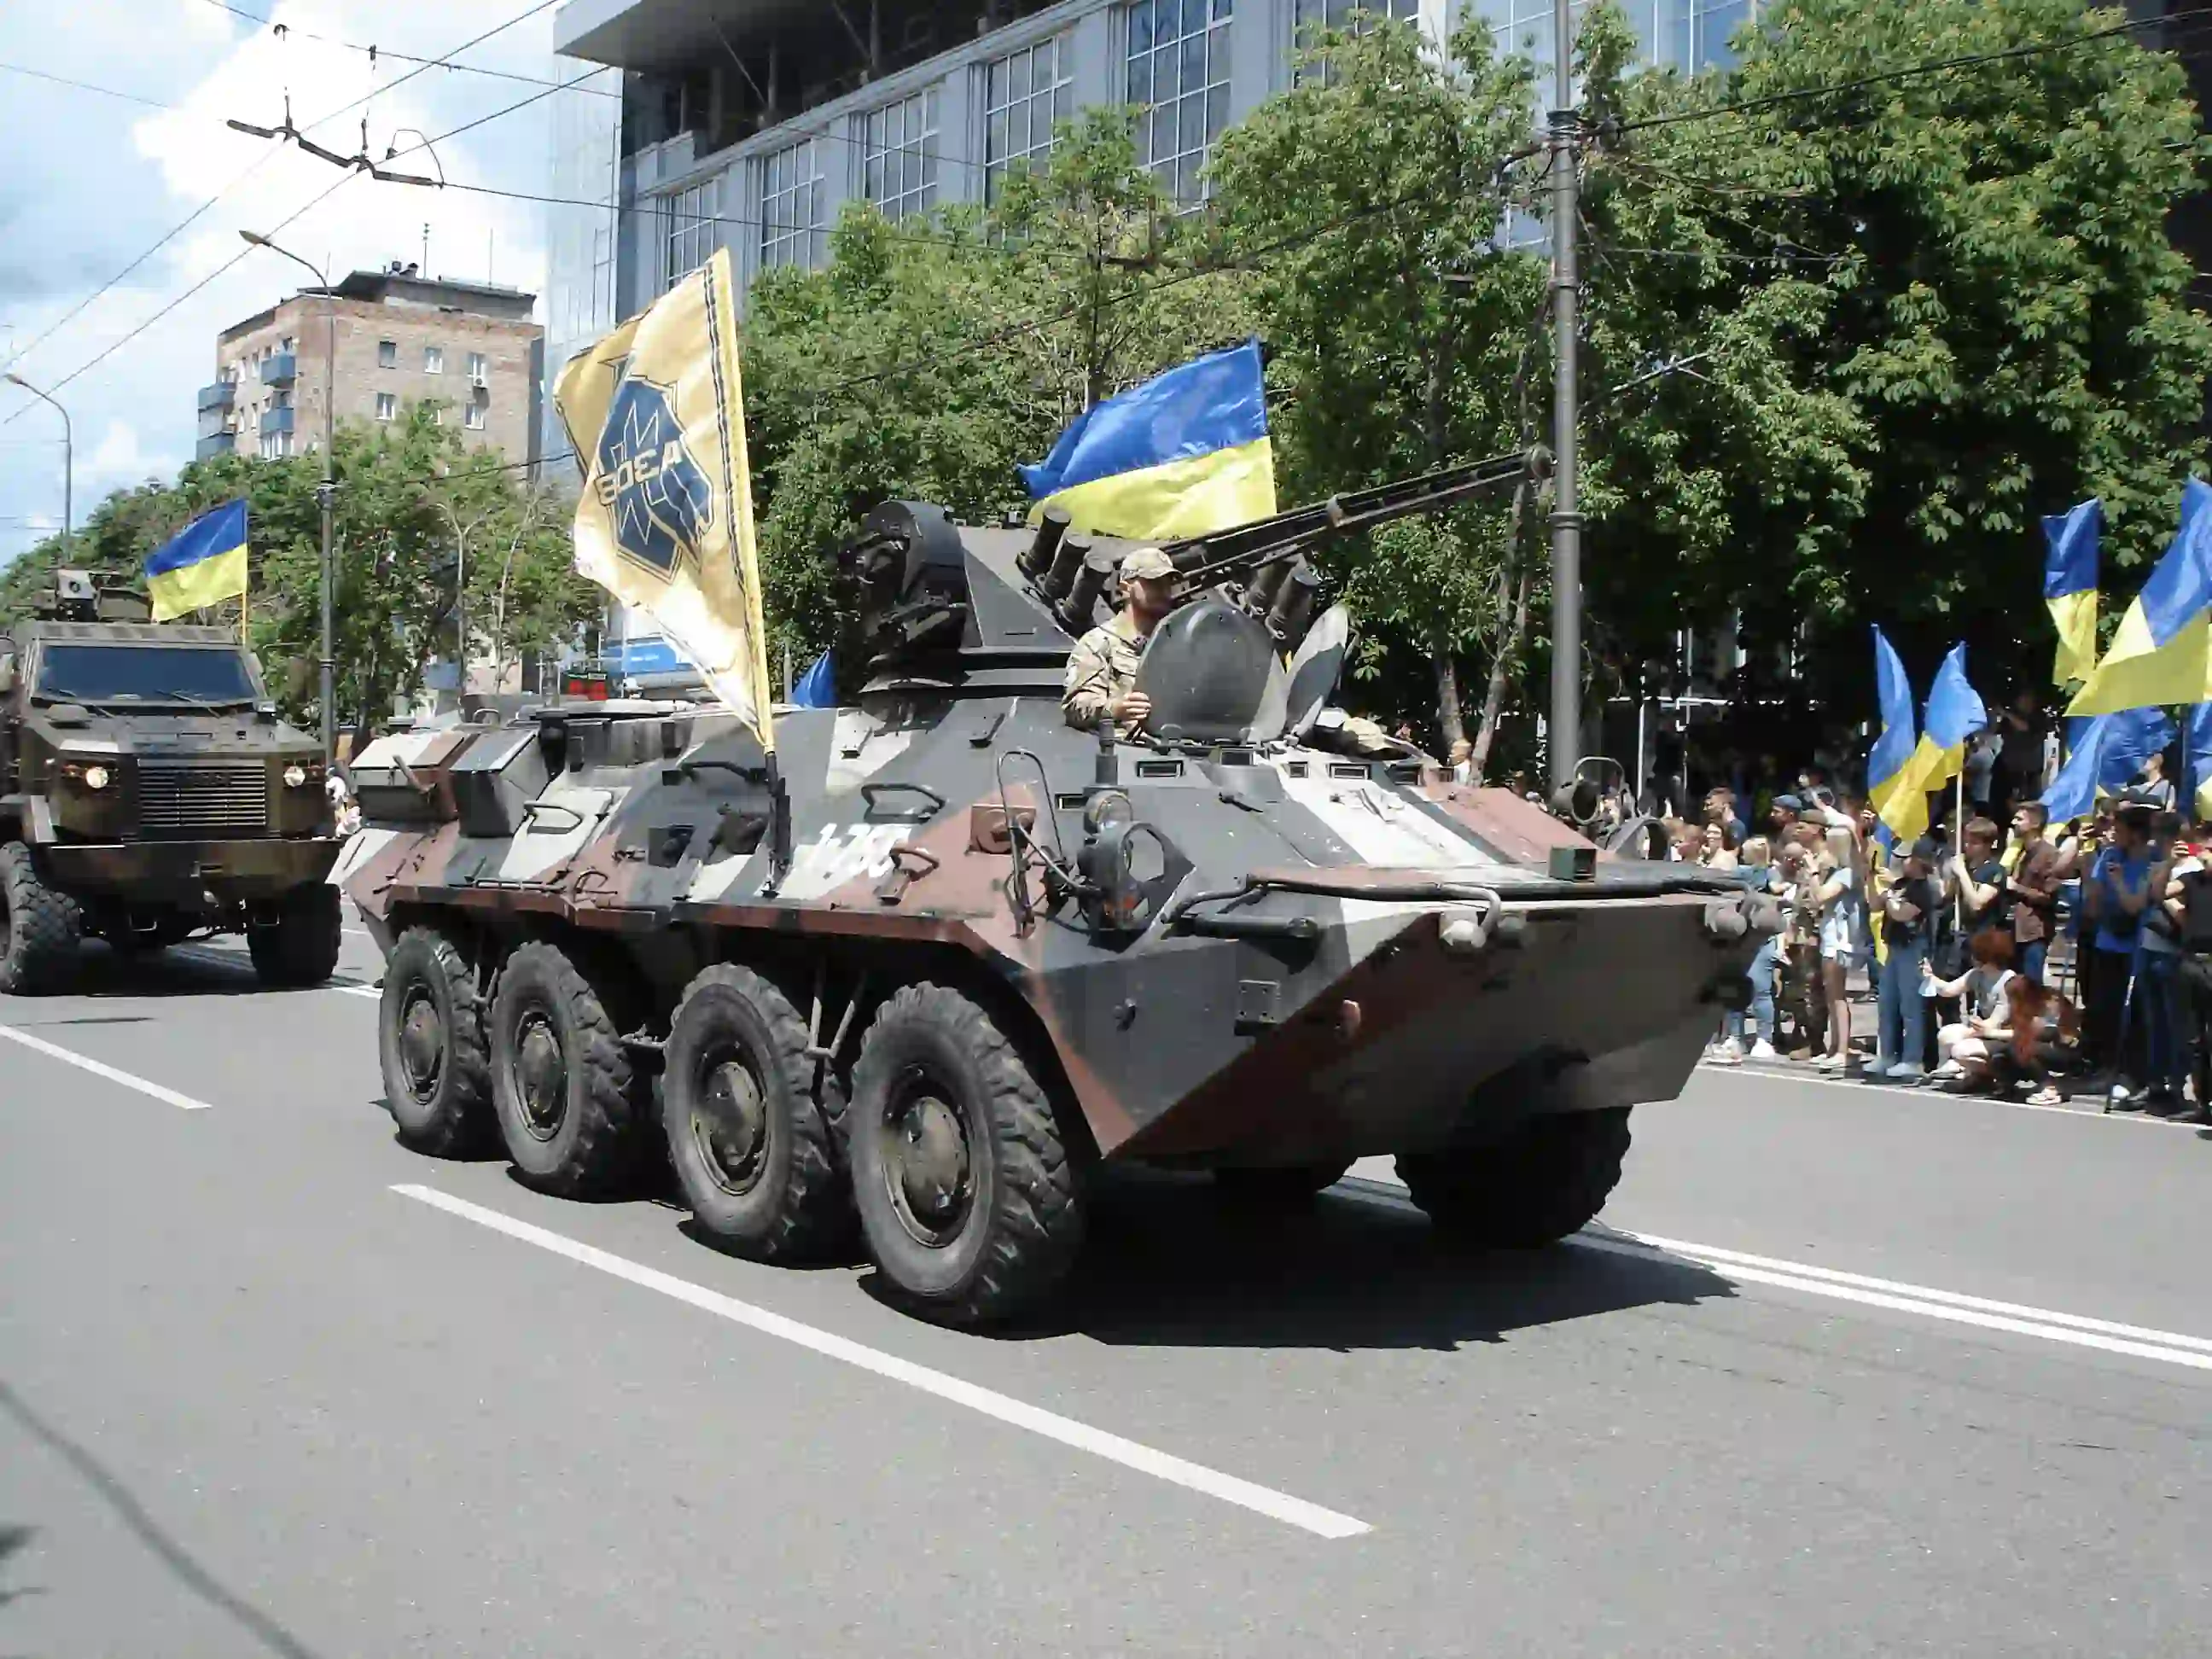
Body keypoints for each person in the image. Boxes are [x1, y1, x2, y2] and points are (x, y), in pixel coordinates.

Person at [2080, 799, 2171, 1103]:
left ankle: (2133, 1075)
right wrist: (2088, 869)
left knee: (2132, 1015)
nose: (2112, 833)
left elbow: (2135, 906)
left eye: (2118, 829)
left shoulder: (2152, 861)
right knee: (2104, 1010)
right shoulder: (2108, 855)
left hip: (2136, 948)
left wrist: (2117, 882)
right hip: (2107, 943)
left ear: (2135, 833)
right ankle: (2105, 1068)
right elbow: (2092, 905)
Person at [1062, 547, 1178, 734]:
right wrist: (1116, 709)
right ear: (1125, 588)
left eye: (1168, 583)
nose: (1164, 591)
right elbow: (1075, 706)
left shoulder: (1177, 641)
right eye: (1153, 583)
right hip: (1125, 752)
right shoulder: (1100, 642)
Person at [1874, 835, 1941, 1080]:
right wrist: (1872, 882)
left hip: (1914, 948)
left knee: (1911, 1006)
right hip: (1894, 947)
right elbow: (1874, 904)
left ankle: (1913, 1059)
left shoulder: (1926, 888)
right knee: (1887, 1002)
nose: (1902, 862)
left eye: (1907, 858)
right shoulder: (1900, 883)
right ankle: (1887, 1055)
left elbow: (1903, 914)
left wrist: (1890, 899)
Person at [1922, 929, 2017, 1089]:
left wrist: (1974, 1028)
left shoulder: (2008, 981)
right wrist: (1930, 977)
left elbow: (1993, 1024)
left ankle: (1996, 1073)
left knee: (1960, 1050)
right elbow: (1948, 990)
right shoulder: (1976, 974)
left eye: (1976, 954)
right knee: (1947, 1035)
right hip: (1987, 1033)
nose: (1972, 958)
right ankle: (1980, 1076)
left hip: (2006, 1037)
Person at [1812, 824, 1866, 1070]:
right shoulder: (1840, 871)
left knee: (1837, 995)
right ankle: (1834, 1046)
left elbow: (1820, 896)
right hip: (1831, 936)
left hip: (1840, 938)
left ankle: (1842, 1049)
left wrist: (1812, 874)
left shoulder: (1847, 873)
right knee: (1830, 993)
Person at [2006, 800, 2062, 984]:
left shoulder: (2050, 855)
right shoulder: (2018, 852)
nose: (2014, 822)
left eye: (2019, 819)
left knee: (2031, 989)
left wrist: (2017, 888)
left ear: (2035, 824)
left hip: (2033, 931)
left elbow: (2049, 897)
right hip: (2013, 930)